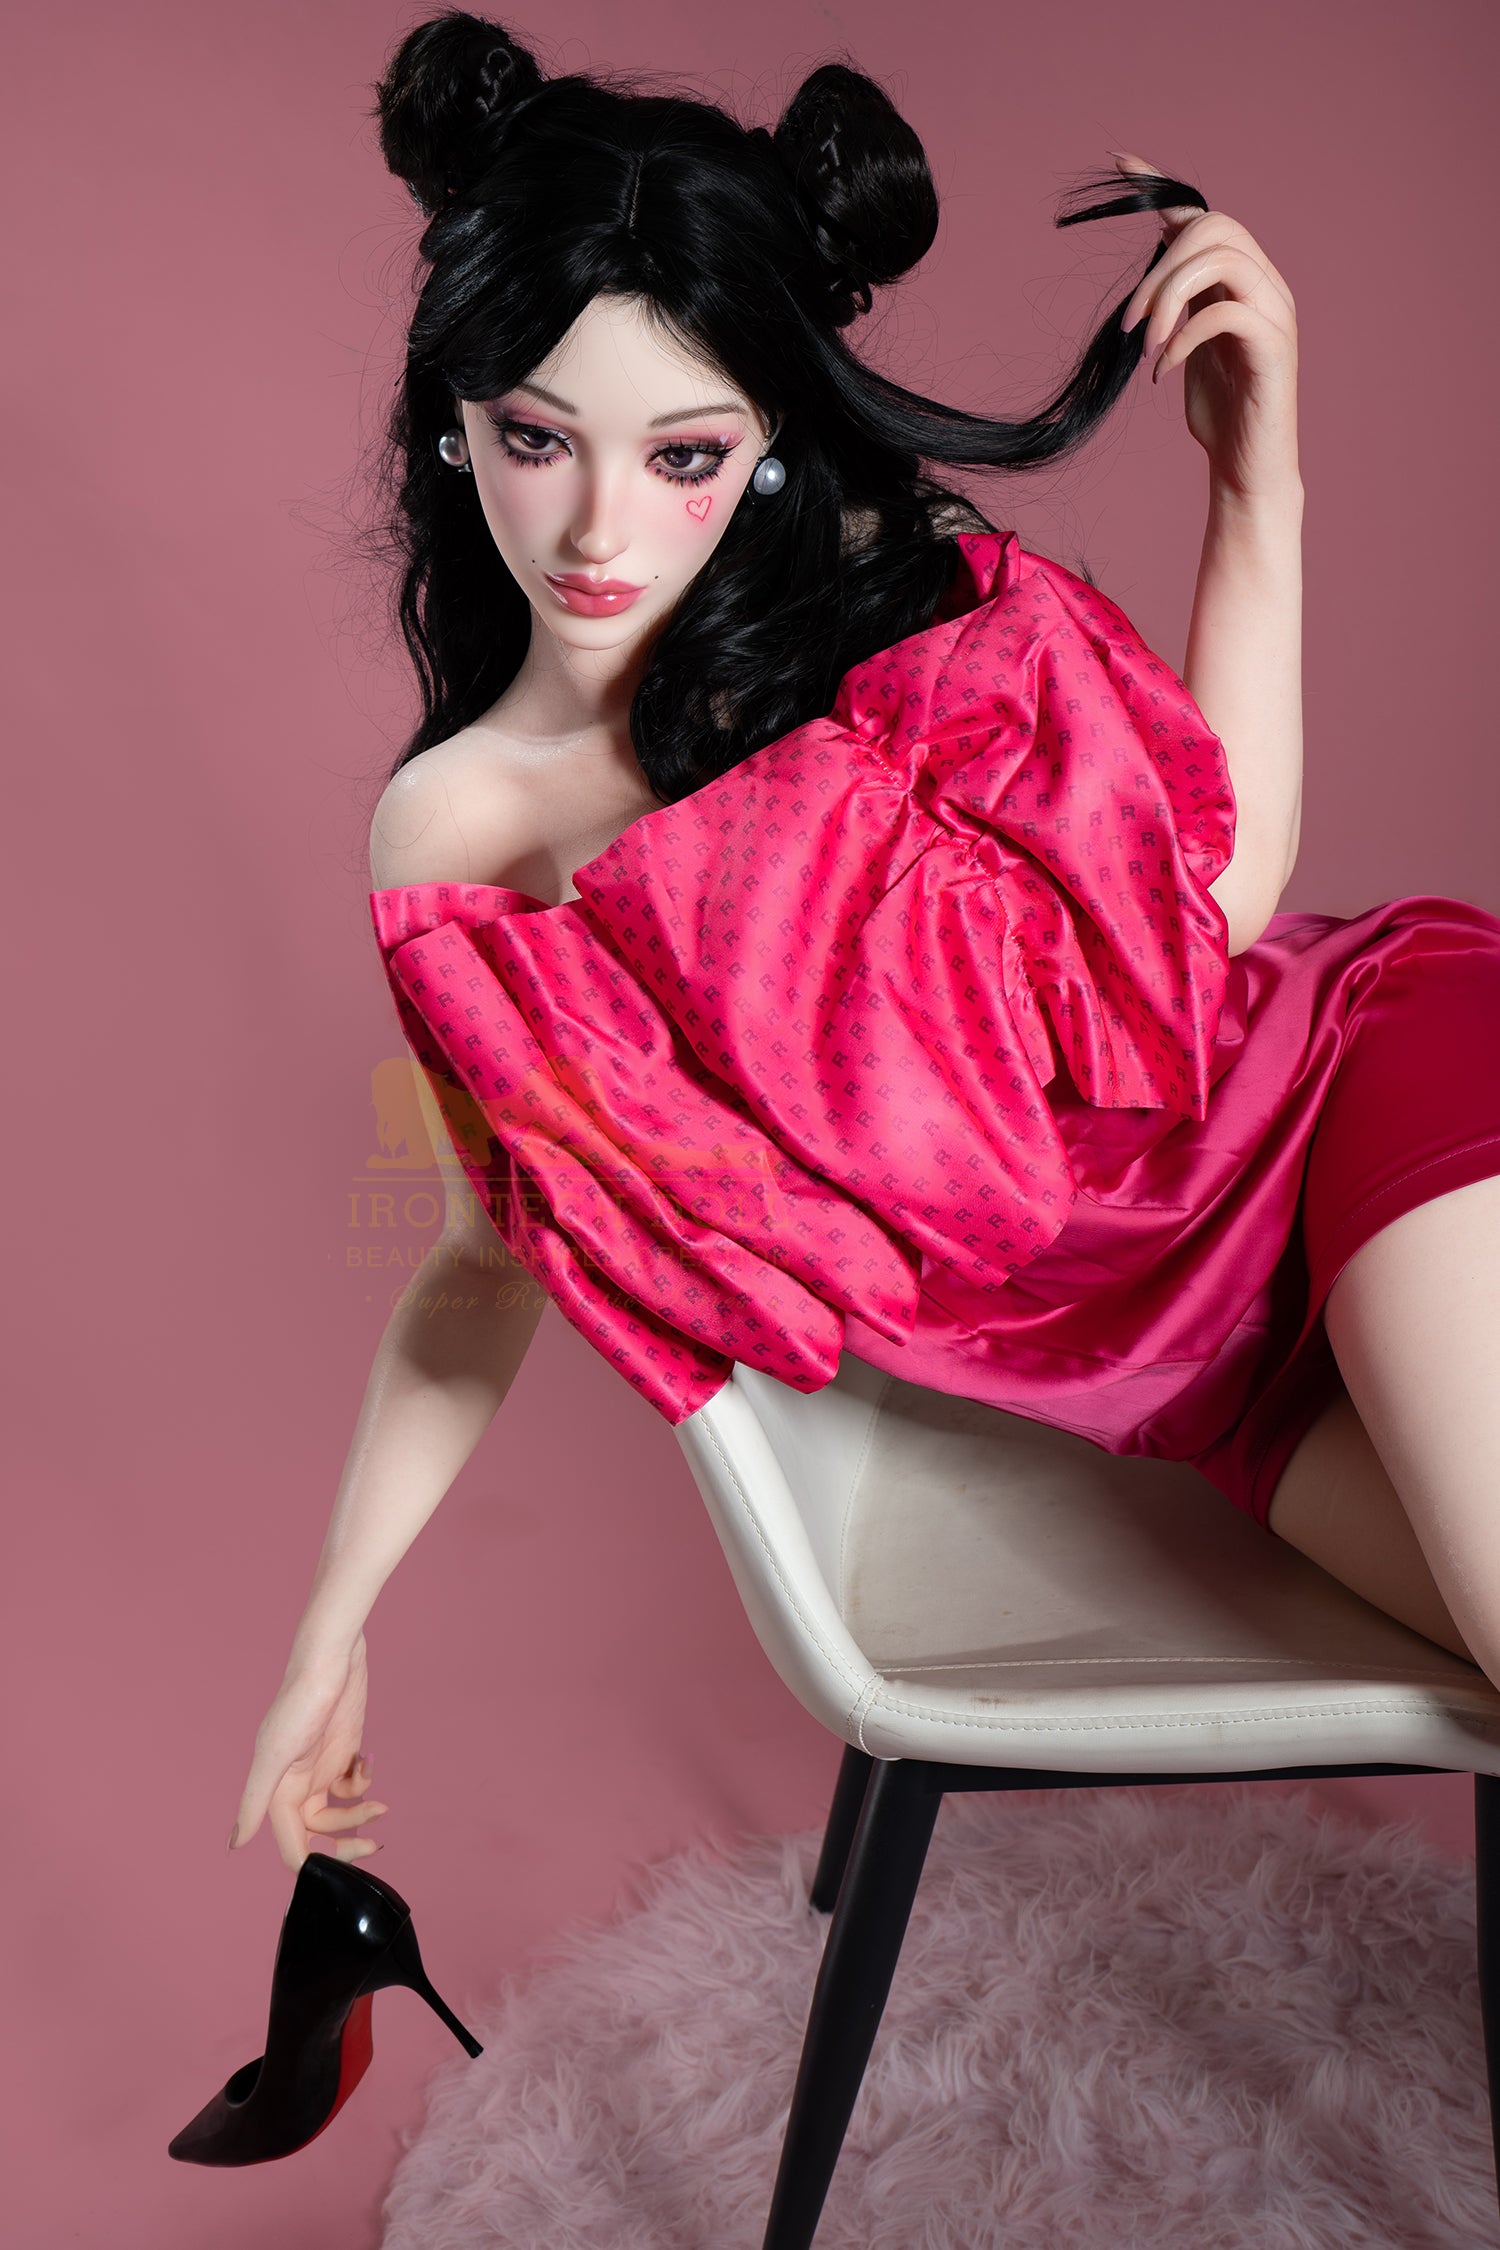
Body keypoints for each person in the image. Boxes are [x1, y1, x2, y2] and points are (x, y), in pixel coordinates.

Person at [230, 10, 1500, 1883]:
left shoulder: (880, 620)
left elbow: (1211, 906)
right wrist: (330, 1632)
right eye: (535, 438)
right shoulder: (459, 834)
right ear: (455, 417)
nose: (598, 527)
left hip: (1344, 1107)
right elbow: (488, 1261)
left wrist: (1259, 486)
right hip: (1204, 1391)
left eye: (682, 452)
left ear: (760, 442)